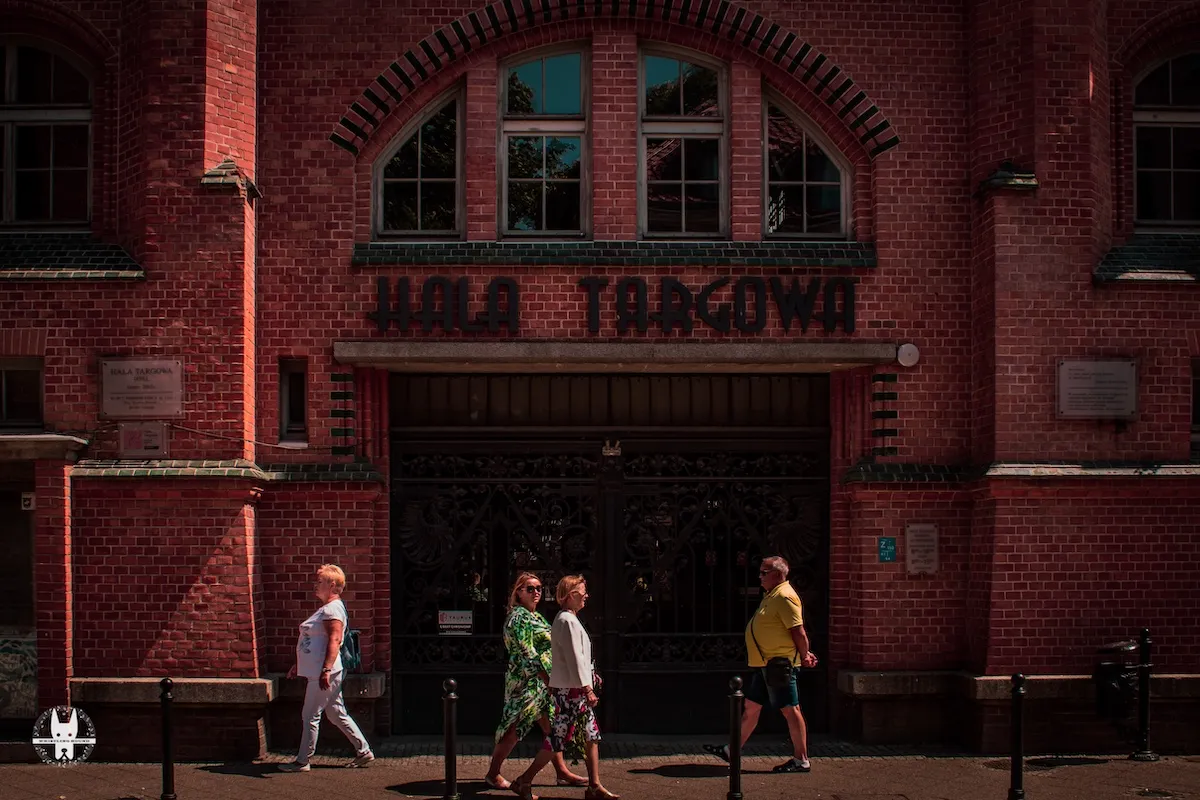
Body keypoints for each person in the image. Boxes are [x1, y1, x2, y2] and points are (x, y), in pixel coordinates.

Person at [704, 556, 818, 774]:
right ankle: (731, 750)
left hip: (779, 665)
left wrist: (805, 655)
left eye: (764, 573)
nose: (759, 577)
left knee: (791, 710)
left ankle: (801, 759)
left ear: (777, 574)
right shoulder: (772, 595)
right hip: (766, 665)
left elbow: (798, 631)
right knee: (752, 707)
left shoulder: (785, 597)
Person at [485, 572, 588, 792]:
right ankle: (493, 774)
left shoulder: (536, 616)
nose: (536, 592)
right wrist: (546, 678)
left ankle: (561, 772)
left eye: (539, 588)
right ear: (519, 592)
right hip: (526, 684)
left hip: (541, 685)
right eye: (530, 588)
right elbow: (526, 652)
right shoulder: (519, 616)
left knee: (552, 727)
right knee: (514, 727)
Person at [279, 564, 374, 772]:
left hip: (322, 673)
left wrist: (325, 670)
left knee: (310, 715)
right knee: (336, 713)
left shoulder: (332, 610)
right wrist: (298, 664)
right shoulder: (329, 608)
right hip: (321, 671)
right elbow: (317, 642)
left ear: (332, 585)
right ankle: (363, 750)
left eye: (319, 581)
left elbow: (334, 639)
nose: (315, 585)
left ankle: (302, 760)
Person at [548, 575, 619, 800]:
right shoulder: (567, 621)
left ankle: (594, 786)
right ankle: (524, 780)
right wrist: (587, 688)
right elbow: (574, 658)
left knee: (590, 735)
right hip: (571, 691)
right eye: (582, 591)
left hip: (573, 688)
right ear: (571, 595)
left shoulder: (569, 619)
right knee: (556, 741)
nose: (586, 595)